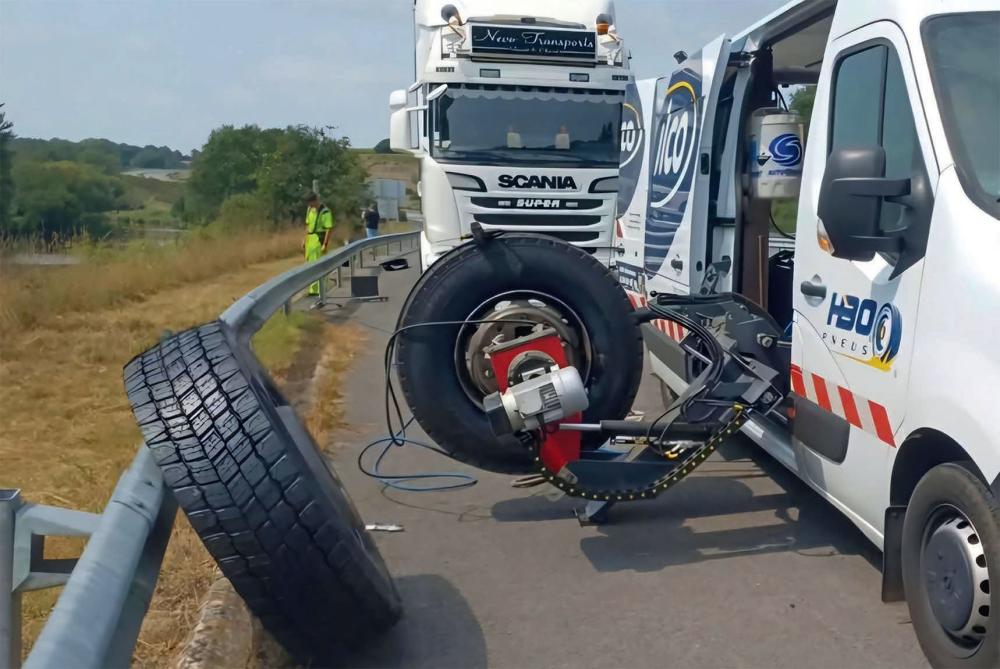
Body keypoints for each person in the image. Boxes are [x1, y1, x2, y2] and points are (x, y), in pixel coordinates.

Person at [304, 192, 333, 296]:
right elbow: (308, 226)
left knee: (318, 265)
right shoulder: (310, 211)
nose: (310, 205)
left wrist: (325, 244)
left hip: (318, 239)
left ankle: (320, 289)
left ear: (316, 200)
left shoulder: (325, 212)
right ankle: (313, 289)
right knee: (310, 265)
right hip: (310, 240)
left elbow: (328, 229)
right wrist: (304, 239)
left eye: (311, 203)